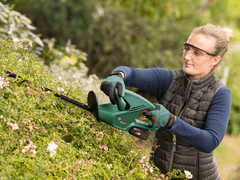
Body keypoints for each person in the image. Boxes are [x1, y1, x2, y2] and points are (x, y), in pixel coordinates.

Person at [100, 24, 233, 179]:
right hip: (157, 173)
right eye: (187, 49)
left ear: (215, 60)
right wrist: (117, 75)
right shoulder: (168, 80)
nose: (187, 56)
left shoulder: (221, 94)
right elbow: (132, 73)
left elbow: (210, 141)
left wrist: (171, 121)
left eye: (197, 53)